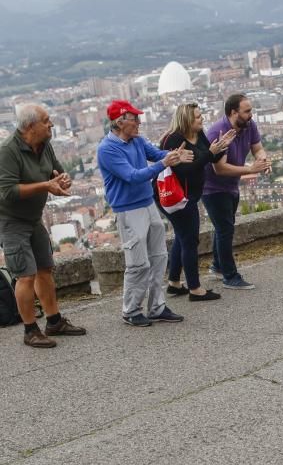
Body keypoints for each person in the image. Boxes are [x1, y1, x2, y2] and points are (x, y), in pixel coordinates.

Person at [97, 100, 193, 327]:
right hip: (129, 210)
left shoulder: (137, 141)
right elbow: (132, 175)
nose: (139, 122)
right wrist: (164, 162)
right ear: (120, 122)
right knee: (138, 263)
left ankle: (157, 306)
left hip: (147, 203)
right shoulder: (107, 149)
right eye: (135, 118)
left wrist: (174, 155)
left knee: (159, 257)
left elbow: (157, 153)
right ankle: (131, 309)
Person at [0, 104, 87, 347]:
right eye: (46, 120)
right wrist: (45, 186)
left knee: (44, 269)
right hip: (11, 220)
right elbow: (7, 191)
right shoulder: (8, 151)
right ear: (30, 127)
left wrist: (61, 179)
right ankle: (30, 330)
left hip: (33, 217)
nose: (50, 124)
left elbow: (55, 171)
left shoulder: (44, 144)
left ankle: (54, 320)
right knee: (25, 275)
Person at [158, 103, 232, 302]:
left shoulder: (198, 134)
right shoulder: (173, 140)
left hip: (190, 195)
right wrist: (209, 153)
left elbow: (208, 157)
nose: (202, 119)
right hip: (176, 197)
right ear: (187, 120)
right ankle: (195, 288)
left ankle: (174, 282)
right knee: (190, 240)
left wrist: (220, 147)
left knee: (183, 237)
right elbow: (184, 170)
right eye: (198, 117)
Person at [204, 93, 270, 290]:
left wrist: (262, 160)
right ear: (234, 112)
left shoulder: (248, 125)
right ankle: (230, 276)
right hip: (212, 187)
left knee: (223, 226)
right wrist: (250, 169)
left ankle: (217, 266)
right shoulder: (218, 132)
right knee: (225, 229)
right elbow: (219, 168)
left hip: (231, 185)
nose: (251, 114)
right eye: (247, 111)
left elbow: (258, 148)